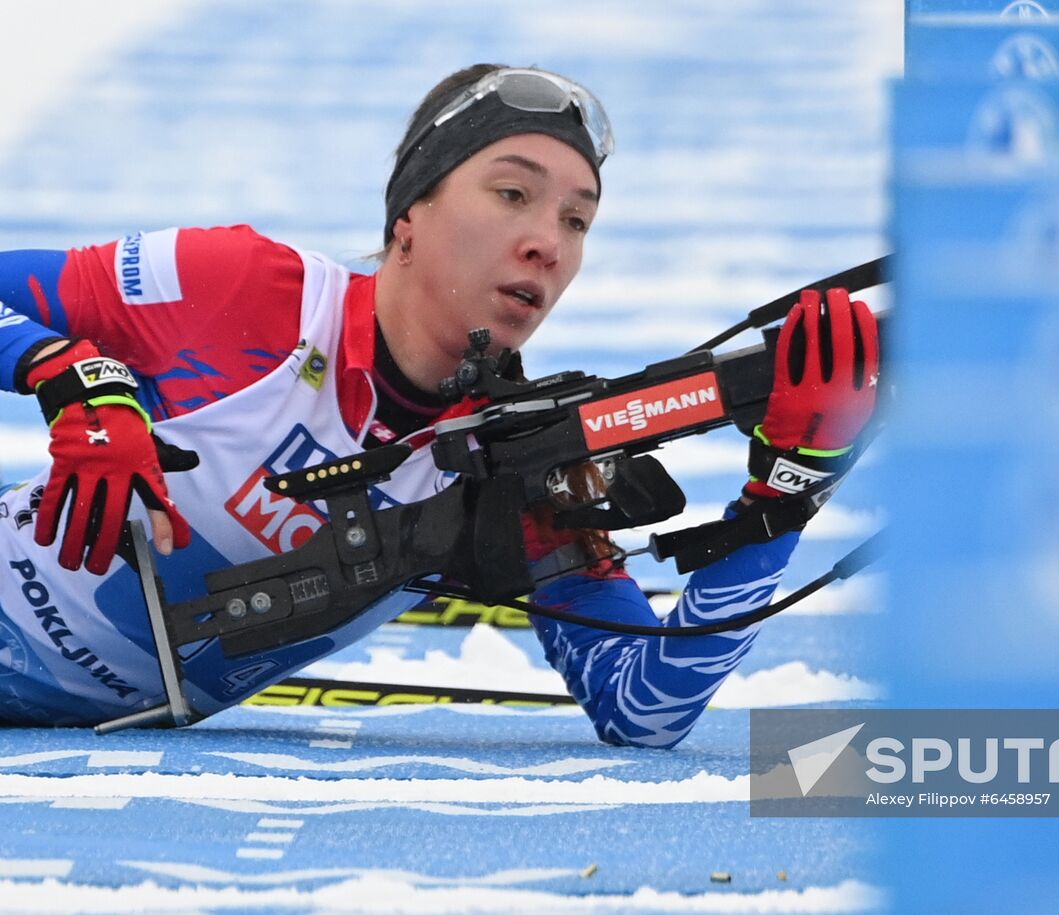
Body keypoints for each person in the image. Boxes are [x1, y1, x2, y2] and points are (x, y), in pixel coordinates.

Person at [0, 65, 879, 743]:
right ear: (408, 217)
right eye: (512, 194)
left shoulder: (518, 466)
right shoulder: (243, 288)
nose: (546, 243)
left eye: (578, 221)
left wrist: (786, 495)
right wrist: (68, 372)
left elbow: (644, 706)